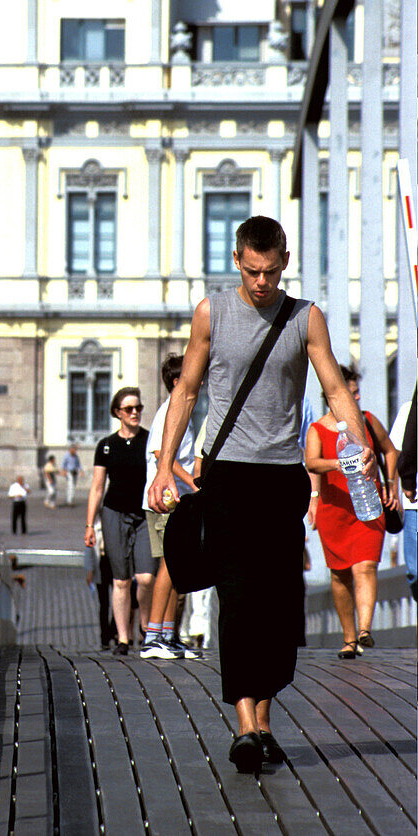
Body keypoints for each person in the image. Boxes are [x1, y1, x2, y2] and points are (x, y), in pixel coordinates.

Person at [149, 216, 376, 776]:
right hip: (225, 472)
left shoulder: (305, 317)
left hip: (280, 476)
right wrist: (163, 468)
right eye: (252, 272)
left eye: (271, 272)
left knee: (277, 603)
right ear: (236, 261)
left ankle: (265, 722)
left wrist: (359, 435)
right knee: (238, 595)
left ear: (285, 262)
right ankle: (247, 725)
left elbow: (331, 384)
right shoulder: (212, 312)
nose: (261, 284)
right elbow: (187, 389)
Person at [305, 365, 399, 658]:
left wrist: (390, 483)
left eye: (357, 393)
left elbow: (391, 450)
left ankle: (365, 630)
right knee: (340, 574)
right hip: (334, 509)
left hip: (368, 504)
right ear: (333, 396)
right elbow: (311, 463)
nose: (356, 399)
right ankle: (349, 639)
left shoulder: (368, 421)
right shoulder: (317, 429)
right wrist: (334, 466)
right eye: (350, 393)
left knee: (365, 566)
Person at [85, 386, 157, 656]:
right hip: (114, 514)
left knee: (147, 577)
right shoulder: (107, 445)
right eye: (129, 409)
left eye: (138, 407)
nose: (135, 412)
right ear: (118, 413)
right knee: (121, 580)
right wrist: (90, 524)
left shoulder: (150, 441)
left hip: (143, 515)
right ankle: (124, 639)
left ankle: (145, 625)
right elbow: (96, 487)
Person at [140, 353, 200, 660]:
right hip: (165, 499)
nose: (201, 381)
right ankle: (153, 636)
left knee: (177, 565)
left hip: (177, 498)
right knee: (168, 564)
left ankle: (167, 633)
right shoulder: (169, 412)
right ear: (178, 382)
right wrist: (192, 480)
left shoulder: (183, 412)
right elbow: (163, 454)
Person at [392, 388, 417, 600]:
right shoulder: (408, 410)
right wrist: (394, 488)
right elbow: (397, 452)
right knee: (415, 571)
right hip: (415, 503)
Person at [84, 517, 116, 649]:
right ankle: (104, 635)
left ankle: (114, 630)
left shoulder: (116, 525)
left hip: (114, 563)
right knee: (104, 603)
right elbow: (89, 550)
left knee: (118, 600)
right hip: (100, 564)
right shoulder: (95, 527)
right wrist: (89, 570)